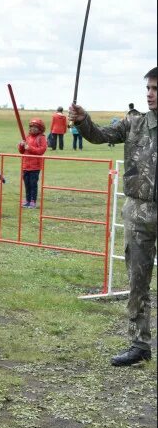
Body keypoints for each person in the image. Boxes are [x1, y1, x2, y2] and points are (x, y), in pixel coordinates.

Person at [70, 67, 157, 367]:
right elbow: (99, 135)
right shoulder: (134, 123)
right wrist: (83, 121)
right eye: (148, 88)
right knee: (138, 278)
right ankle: (139, 344)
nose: (150, 93)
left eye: (156, 89)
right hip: (139, 210)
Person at [18, 118, 47, 208]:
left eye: (36, 127)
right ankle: (27, 200)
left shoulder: (41, 138)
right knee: (26, 184)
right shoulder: (27, 137)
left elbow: (41, 150)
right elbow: (22, 151)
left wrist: (29, 148)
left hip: (35, 167)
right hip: (25, 165)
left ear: (40, 129)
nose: (33, 129)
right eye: (32, 127)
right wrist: (21, 146)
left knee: (33, 184)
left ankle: (33, 201)